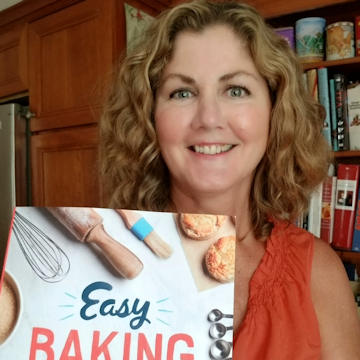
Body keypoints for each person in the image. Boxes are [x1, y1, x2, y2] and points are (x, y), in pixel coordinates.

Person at [99, 0, 360, 358]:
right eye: (182, 92)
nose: (209, 118)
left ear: (274, 110)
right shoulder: (95, 265)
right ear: (149, 118)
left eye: (235, 90)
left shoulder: (320, 273)